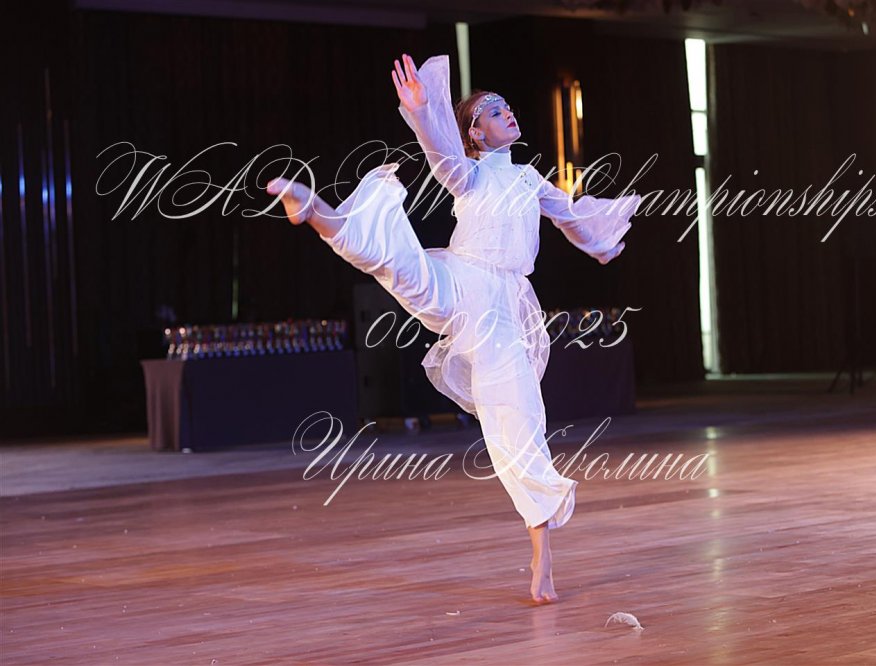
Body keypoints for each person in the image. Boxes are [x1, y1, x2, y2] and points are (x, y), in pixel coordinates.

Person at [266, 53, 642, 604]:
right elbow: (441, 155)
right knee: (400, 264)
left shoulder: (529, 178)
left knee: (517, 424)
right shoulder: (470, 172)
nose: (507, 111)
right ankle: (317, 209)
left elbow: (573, 217)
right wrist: (423, 113)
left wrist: (603, 240)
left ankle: (542, 556)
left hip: (503, 310)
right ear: (476, 134)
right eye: (493, 110)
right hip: (461, 277)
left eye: (507, 105)